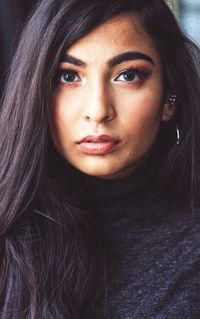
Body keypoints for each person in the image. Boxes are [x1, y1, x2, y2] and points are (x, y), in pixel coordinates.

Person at [0, 0, 200, 318]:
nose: (98, 110)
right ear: (36, 90)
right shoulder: (11, 230)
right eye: (68, 77)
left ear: (169, 99)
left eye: (128, 75)